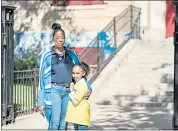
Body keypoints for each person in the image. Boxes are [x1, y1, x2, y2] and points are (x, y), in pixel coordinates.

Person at [38, 23, 80, 130]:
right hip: (54, 91)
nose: (60, 40)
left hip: (68, 92)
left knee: (63, 124)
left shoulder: (72, 55)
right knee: (54, 123)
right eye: (58, 38)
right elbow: (42, 81)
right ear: (53, 39)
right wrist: (41, 103)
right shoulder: (47, 56)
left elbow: (80, 72)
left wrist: (80, 87)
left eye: (62, 38)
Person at [65, 62, 92, 130]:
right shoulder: (79, 83)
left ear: (83, 73)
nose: (74, 75)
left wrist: (71, 91)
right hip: (77, 114)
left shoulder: (82, 84)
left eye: (77, 73)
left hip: (81, 114)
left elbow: (76, 101)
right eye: (73, 73)